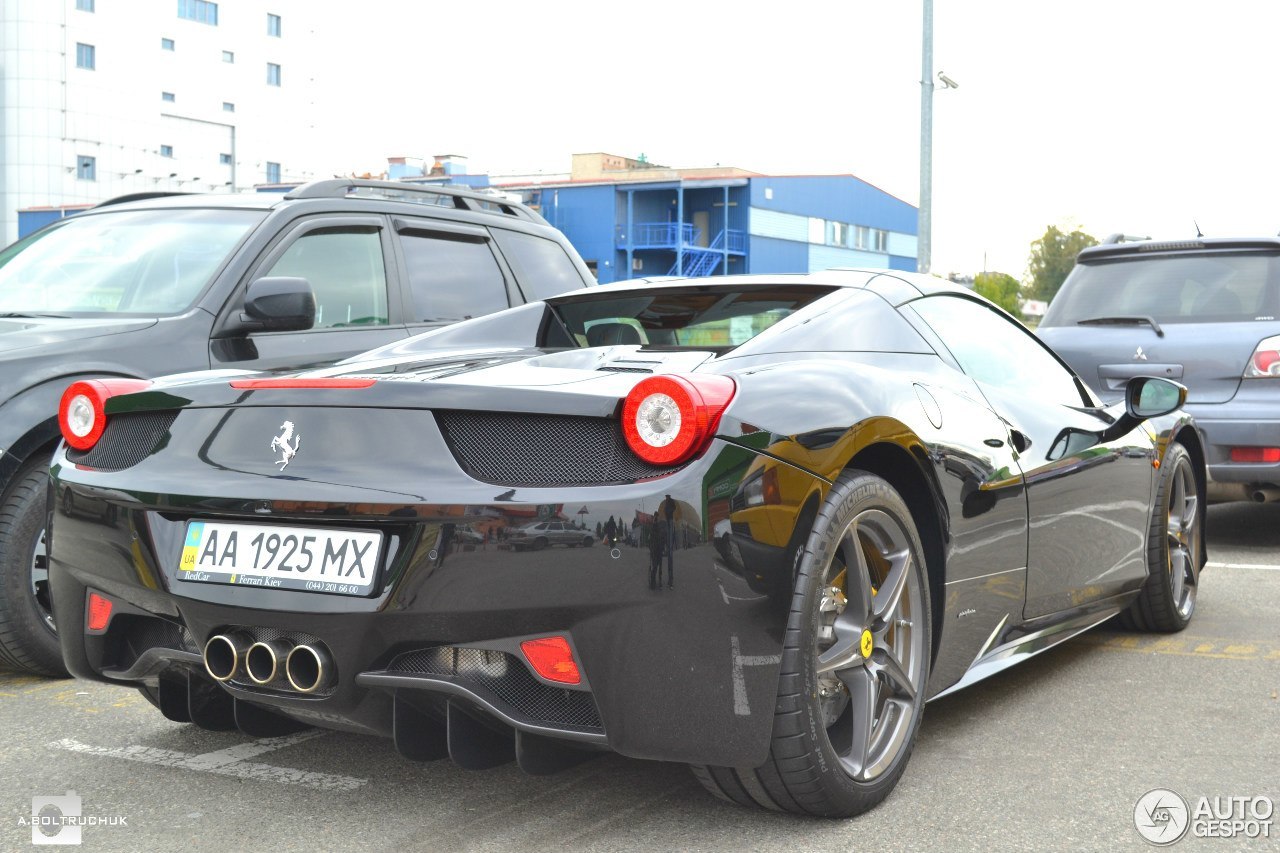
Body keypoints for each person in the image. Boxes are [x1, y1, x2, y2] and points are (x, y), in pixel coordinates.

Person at [657, 494, 677, 588]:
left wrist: (670, 511)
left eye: (666, 497)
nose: (666, 498)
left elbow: (674, 507)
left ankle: (670, 581)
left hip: (670, 519)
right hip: (668, 519)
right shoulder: (666, 503)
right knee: (666, 558)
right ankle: (664, 581)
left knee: (670, 556)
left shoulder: (671, 501)